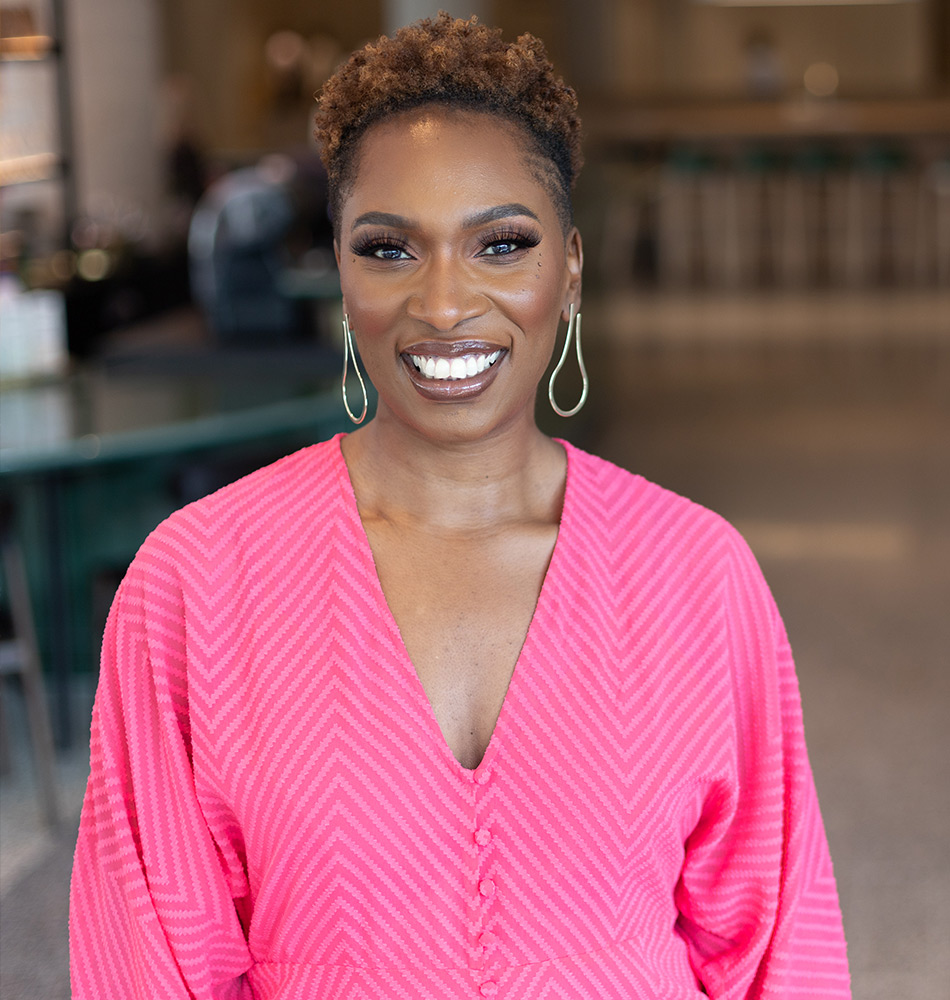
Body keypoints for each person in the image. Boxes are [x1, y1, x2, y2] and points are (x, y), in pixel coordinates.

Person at [69, 14, 850, 999]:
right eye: (389, 249)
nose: (442, 304)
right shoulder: (196, 584)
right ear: (340, 275)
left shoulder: (695, 574)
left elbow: (778, 957)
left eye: (500, 244)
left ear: (566, 271)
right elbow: (146, 968)